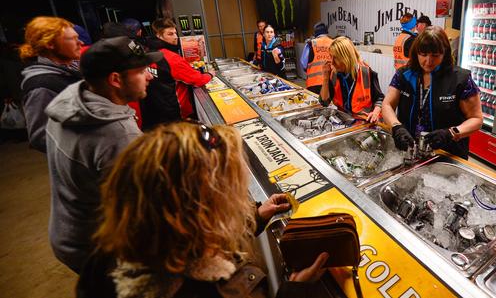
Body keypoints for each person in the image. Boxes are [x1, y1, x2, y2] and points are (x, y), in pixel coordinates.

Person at [76, 121, 329, 298]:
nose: (240, 195)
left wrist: (256, 215)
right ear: (205, 207)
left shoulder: (110, 258)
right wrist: (296, 291)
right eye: (234, 187)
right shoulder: (213, 289)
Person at [45, 36, 161, 272]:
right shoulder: (118, 135)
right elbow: (151, 215)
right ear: (116, 79)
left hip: (69, 232)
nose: (149, 76)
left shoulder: (70, 104)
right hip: (102, 249)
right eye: (141, 71)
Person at [382, 26, 483, 159]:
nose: (428, 61)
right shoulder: (404, 75)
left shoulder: (460, 79)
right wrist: (396, 127)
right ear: (416, 52)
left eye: (435, 56)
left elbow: (476, 119)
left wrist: (451, 133)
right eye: (423, 55)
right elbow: (387, 104)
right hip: (409, 151)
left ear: (444, 53)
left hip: (447, 155)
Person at [19, 16, 83, 152]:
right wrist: (88, 146)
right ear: (50, 44)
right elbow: (40, 137)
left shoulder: (73, 70)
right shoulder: (41, 85)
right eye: (73, 39)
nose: (81, 43)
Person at [140, 18, 212, 129]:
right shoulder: (171, 58)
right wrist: (210, 74)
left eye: (175, 33)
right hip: (175, 113)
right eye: (170, 34)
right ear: (159, 36)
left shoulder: (146, 52)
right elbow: (198, 80)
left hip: (154, 113)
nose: (175, 37)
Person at [320, 36, 383, 123]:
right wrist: (326, 78)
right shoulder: (334, 73)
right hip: (344, 120)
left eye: (336, 58)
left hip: (364, 122)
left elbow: (379, 98)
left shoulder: (366, 72)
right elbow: (324, 102)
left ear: (346, 57)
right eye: (331, 57)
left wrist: (375, 112)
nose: (332, 62)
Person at [301, 22, 333, 94]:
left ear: (315, 33)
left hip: (314, 83)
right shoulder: (333, 43)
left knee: (316, 104)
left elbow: (304, 64)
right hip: (331, 82)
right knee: (331, 104)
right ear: (326, 32)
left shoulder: (311, 44)